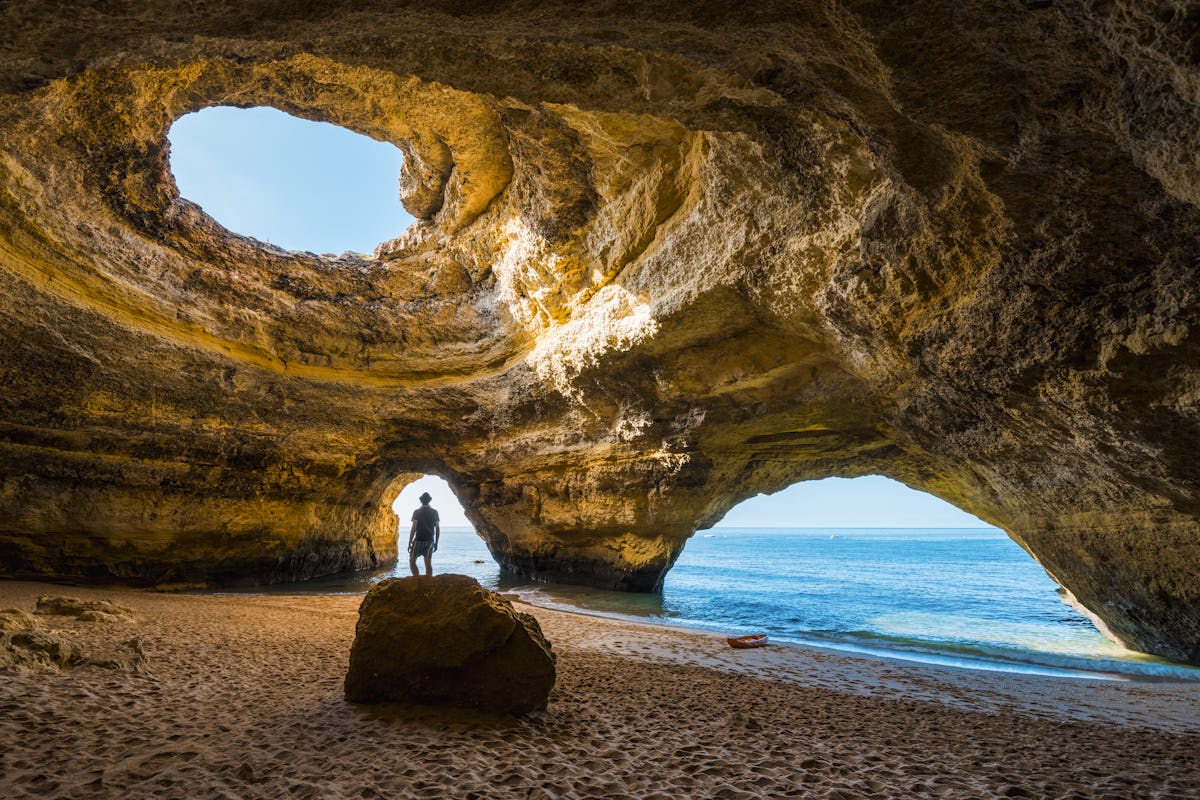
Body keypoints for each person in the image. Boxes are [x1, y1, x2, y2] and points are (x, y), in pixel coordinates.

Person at [408, 491, 440, 576]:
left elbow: (414, 528)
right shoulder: (434, 512)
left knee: (412, 561)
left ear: (421, 500)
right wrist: (436, 542)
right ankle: (428, 583)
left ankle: (417, 579)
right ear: (429, 500)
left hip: (418, 540)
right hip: (430, 540)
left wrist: (409, 542)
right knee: (428, 564)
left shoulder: (417, 512)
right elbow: (437, 528)